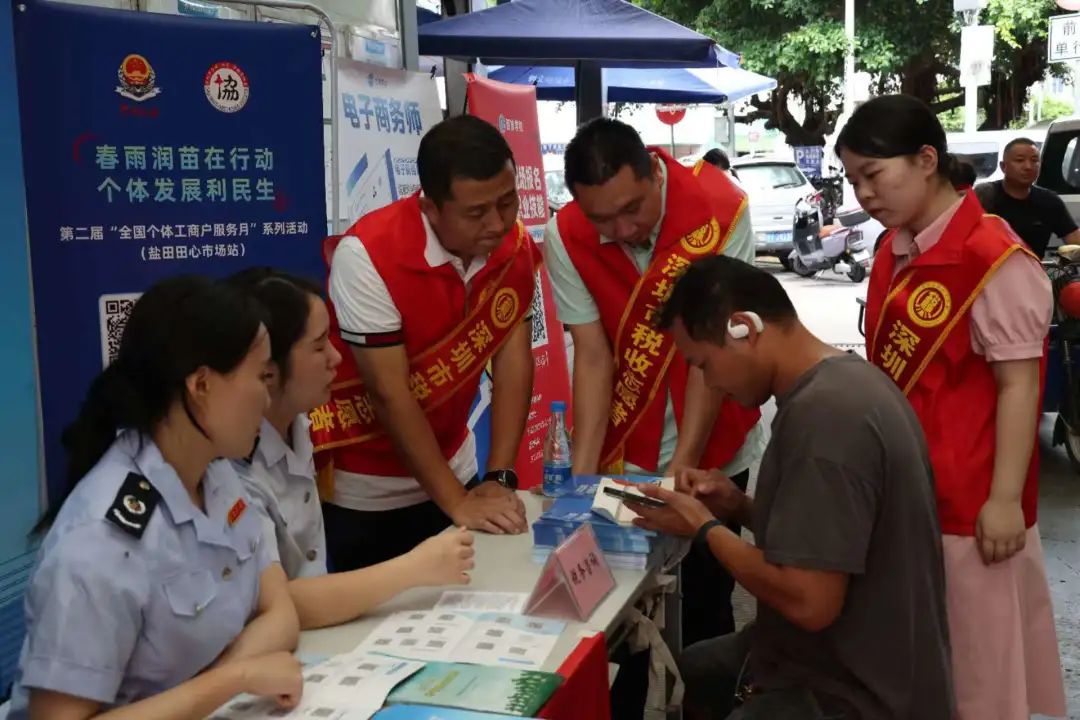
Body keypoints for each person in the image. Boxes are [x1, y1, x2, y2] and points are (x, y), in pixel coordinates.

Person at [627, 255, 954, 720]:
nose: (708, 382)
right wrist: (736, 506)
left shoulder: (827, 419)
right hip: (848, 656)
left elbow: (809, 601)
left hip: (856, 690)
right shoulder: (842, 383)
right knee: (696, 669)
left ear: (743, 327)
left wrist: (703, 526)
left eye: (702, 364)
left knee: (692, 680)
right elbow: (832, 538)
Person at [839, 94, 1066, 720]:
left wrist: (1002, 500)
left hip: (971, 504)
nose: (864, 193)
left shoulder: (993, 258)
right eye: (854, 179)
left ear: (926, 160)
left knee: (979, 674)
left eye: (874, 175)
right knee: (925, 663)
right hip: (911, 492)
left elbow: (1019, 386)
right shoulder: (894, 248)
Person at [10, 276, 303, 719]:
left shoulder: (216, 474)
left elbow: (280, 610)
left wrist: (216, 686)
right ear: (200, 385)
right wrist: (231, 682)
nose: (267, 396)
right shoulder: (101, 540)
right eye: (261, 376)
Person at [545, 117, 766, 646]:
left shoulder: (720, 208)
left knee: (706, 605)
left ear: (653, 172)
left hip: (713, 449)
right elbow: (593, 357)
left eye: (632, 210)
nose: (621, 231)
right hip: (623, 445)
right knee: (615, 618)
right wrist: (580, 485)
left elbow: (712, 352)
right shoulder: (567, 233)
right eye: (603, 218)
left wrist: (680, 472)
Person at [318, 114, 540, 572]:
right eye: (477, 212)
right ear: (431, 208)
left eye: (508, 201)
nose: (498, 223)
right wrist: (456, 503)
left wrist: (498, 476)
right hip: (368, 489)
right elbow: (388, 392)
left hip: (456, 468)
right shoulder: (367, 255)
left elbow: (513, 359)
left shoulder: (512, 247)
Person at [229, 268, 476, 629]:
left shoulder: (299, 425)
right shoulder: (230, 464)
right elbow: (277, 601)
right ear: (267, 368)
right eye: (318, 346)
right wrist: (414, 568)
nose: (336, 358)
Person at [974, 137, 1080, 258]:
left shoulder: (1050, 201)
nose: (1028, 166)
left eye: (1034, 160)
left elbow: (1074, 239)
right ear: (1003, 167)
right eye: (1020, 160)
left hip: (1033, 273)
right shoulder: (984, 196)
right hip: (990, 273)